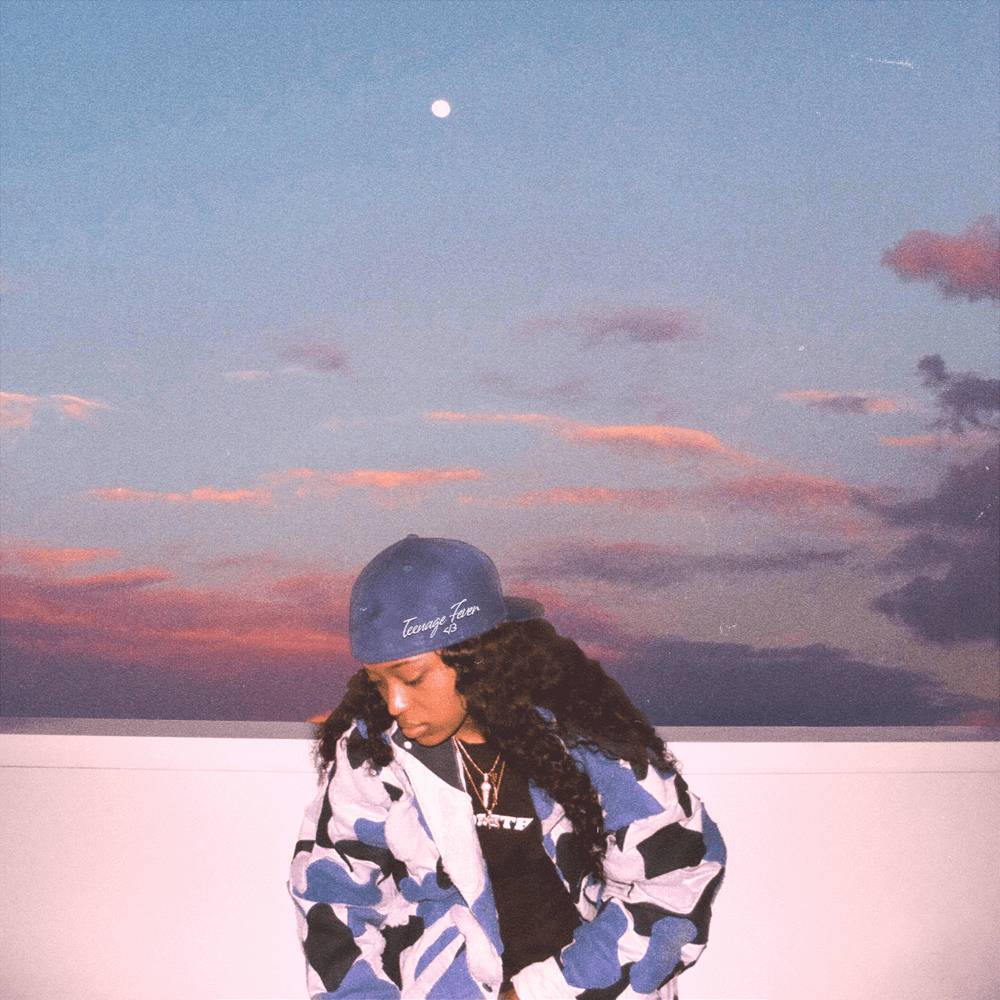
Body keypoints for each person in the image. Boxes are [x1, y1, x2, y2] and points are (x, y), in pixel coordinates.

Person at [290, 535, 725, 1000]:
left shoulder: (585, 742)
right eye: (378, 682)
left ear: (475, 656)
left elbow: (675, 887)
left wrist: (537, 992)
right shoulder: (375, 751)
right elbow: (331, 898)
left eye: (412, 678)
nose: (394, 703)